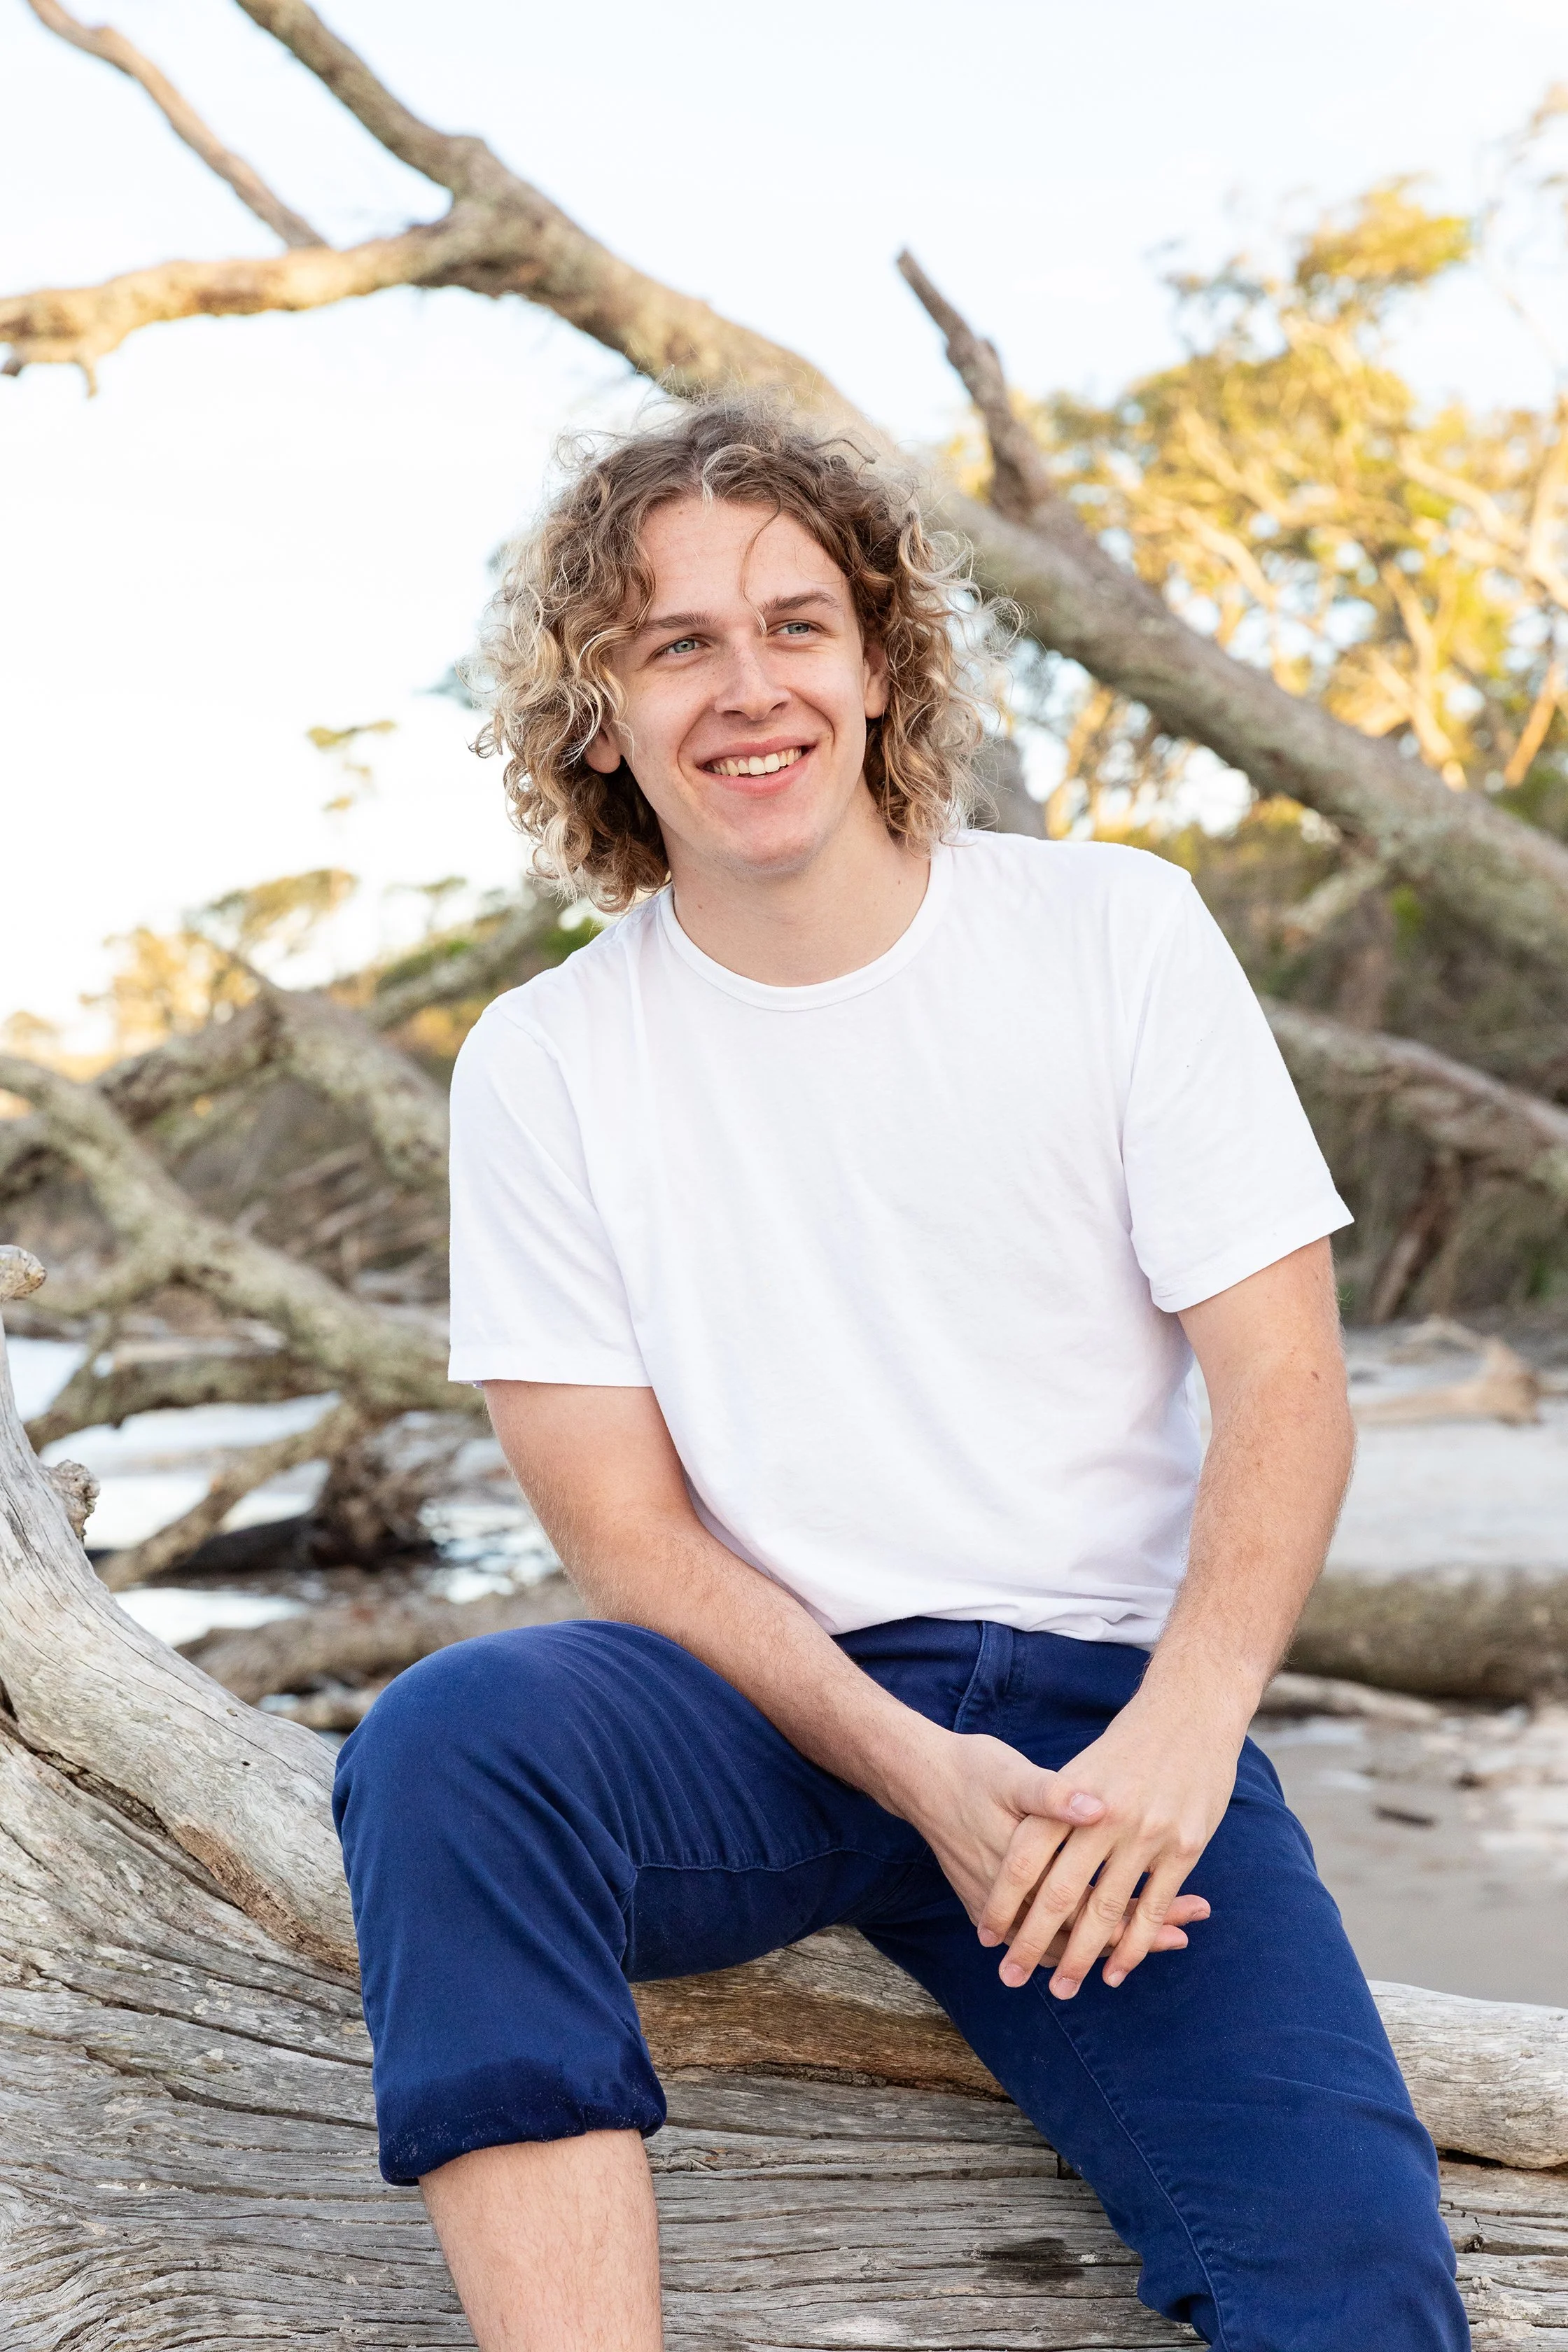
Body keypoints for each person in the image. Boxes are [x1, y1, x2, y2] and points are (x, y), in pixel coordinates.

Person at [333, 398, 1469, 2352]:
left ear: (879, 662)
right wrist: (911, 1768)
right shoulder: (545, 1059)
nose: (746, 684)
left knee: (1351, 2286)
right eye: (674, 642)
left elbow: (1285, 1382)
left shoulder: (1111, 931)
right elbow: (619, 1526)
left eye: (794, 623)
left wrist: (1185, 1736)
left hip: (1112, 1743)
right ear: (595, 715)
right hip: (759, 1721)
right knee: (451, 1743)